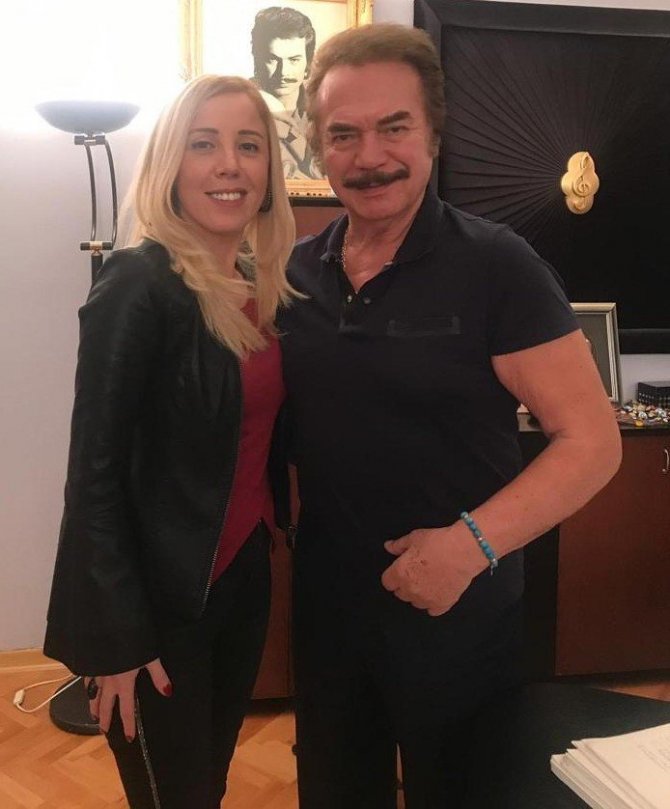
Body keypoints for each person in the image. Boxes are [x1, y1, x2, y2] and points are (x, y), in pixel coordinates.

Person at [278, 23, 622, 809]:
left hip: (462, 615)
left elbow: (593, 440)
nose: (370, 156)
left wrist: (470, 545)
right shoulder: (296, 272)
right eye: (344, 134)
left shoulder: (498, 264)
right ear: (319, 148)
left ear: (434, 131)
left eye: (394, 127)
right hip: (330, 612)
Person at [44, 74, 296, 809]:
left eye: (249, 146)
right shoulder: (138, 283)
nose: (229, 165)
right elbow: (92, 476)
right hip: (159, 602)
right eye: (204, 144)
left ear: (269, 171)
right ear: (169, 164)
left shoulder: (260, 287)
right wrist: (115, 638)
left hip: (242, 581)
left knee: (206, 785)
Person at [251, 6, 323, 180]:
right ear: (257, 60)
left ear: (308, 62)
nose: (283, 72)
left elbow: (325, 179)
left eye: (294, 60)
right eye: (272, 59)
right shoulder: (237, 105)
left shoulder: (322, 108)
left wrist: (286, 129)